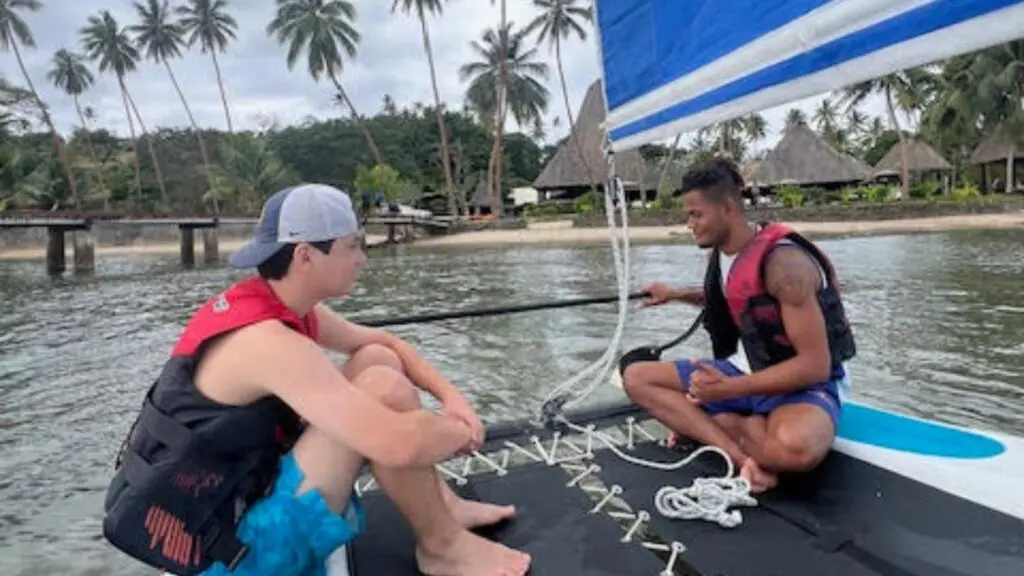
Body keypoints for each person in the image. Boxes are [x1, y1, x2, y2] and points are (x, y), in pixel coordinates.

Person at [101, 183, 531, 576]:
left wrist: (451, 398)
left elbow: (385, 342)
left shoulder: (280, 305)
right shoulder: (268, 342)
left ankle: (444, 509)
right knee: (383, 391)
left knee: (376, 359)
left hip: (245, 494)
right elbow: (399, 444)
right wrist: (462, 431)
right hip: (236, 554)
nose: (362, 258)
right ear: (305, 256)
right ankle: (442, 548)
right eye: (352, 246)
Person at [622, 159, 856, 493]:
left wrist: (727, 391)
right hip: (743, 371)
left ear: (728, 208)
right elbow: (734, 299)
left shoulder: (785, 267)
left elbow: (815, 366)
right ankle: (741, 459)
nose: (690, 225)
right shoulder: (722, 254)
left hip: (799, 383)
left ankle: (724, 424)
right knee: (636, 377)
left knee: (797, 450)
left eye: (696, 215)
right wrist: (674, 294)